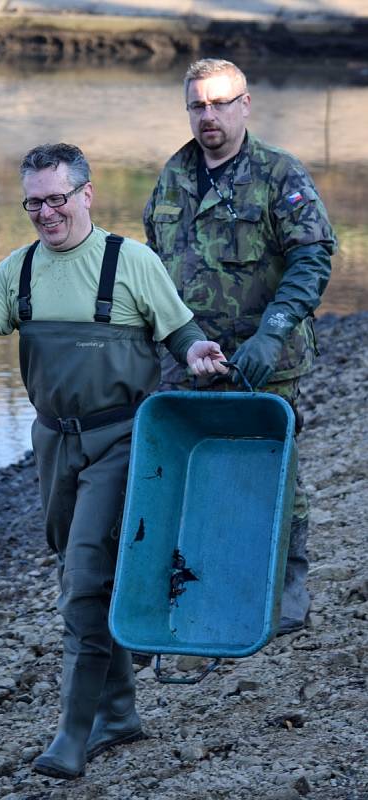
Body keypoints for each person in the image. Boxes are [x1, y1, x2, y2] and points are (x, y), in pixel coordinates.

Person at [0, 143, 228, 780]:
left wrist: (197, 355)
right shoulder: (20, 269)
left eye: (58, 198)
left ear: (87, 194)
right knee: (78, 570)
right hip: (53, 444)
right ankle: (118, 711)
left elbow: (182, 332)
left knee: (84, 580)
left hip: (121, 441)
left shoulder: (130, 262)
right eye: (34, 201)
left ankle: (73, 735)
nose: (46, 213)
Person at [144, 58, 338, 637]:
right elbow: (152, 267)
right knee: (193, 471)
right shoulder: (171, 177)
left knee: (275, 472)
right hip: (188, 359)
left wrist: (272, 330)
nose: (209, 115)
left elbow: (313, 257)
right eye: (198, 105)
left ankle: (287, 598)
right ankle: (202, 589)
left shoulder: (281, 174)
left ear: (245, 104)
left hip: (265, 359)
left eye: (220, 103)